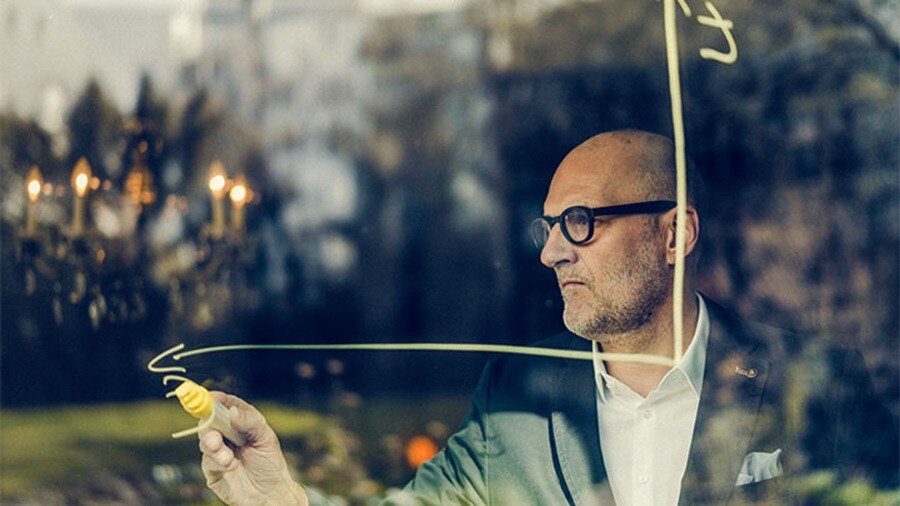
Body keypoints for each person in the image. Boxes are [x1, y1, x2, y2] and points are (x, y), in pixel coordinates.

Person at [197, 130, 898, 505]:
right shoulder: (515, 399)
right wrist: (281, 502)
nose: (552, 252)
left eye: (581, 222)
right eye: (549, 227)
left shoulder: (816, 384)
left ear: (674, 234)